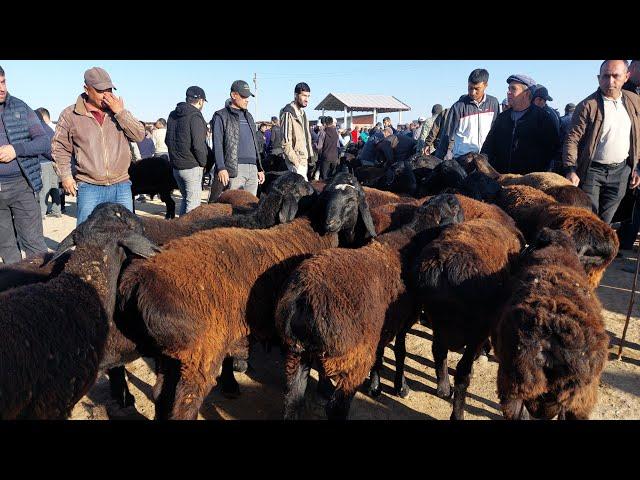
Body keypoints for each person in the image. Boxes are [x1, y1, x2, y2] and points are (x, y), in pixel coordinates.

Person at [52, 66, 145, 226]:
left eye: (109, 89)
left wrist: (120, 113)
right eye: (101, 90)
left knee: (127, 234)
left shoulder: (118, 112)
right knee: (87, 236)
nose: (107, 95)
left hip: (121, 185)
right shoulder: (70, 115)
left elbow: (139, 135)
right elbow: (60, 147)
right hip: (89, 186)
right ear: (86, 89)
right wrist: (65, 176)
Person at [563, 60, 640, 225]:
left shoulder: (634, 101)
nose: (610, 81)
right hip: (592, 171)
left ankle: (601, 250)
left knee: (607, 220)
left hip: (621, 171)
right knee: (591, 217)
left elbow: (638, 136)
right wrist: (571, 169)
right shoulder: (587, 105)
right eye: (605, 76)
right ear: (598, 78)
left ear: (626, 77)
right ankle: (590, 251)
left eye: (615, 76)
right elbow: (572, 138)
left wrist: (637, 167)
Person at [0, 65, 50, 264]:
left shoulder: (21, 107)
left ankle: (42, 290)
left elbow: (44, 142)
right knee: (6, 248)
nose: (1, 88)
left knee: (35, 248)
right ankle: (17, 292)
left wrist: (15, 149)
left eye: (3, 82)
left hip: (22, 186)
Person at [480, 73, 560, 175]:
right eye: (508, 88)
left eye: (513, 89)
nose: (508, 92)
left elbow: (552, 152)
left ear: (526, 93)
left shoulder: (543, 119)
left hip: (529, 184)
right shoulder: (502, 118)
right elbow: (488, 147)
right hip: (501, 180)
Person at [211, 80, 265, 198]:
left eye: (248, 96)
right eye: (244, 96)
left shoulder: (249, 116)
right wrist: (221, 167)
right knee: (233, 208)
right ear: (233, 95)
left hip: (253, 170)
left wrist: (259, 168)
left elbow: (254, 143)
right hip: (234, 169)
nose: (247, 99)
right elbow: (217, 144)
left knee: (250, 208)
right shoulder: (221, 116)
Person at [165, 85, 209, 215]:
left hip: (176, 167)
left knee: (186, 200)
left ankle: (181, 230)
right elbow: (198, 145)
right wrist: (203, 163)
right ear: (200, 101)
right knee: (193, 207)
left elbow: (168, 140)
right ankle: (188, 233)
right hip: (191, 166)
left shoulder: (173, 115)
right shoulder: (195, 116)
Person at [439, 68, 500, 160]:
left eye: (477, 89)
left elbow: (496, 131)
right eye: (470, 88)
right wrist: (438, 159)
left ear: (485, 85)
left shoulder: (494, 103)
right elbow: (446, 136)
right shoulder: (458, 107)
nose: (472, 92)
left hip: (486, 159)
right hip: (463, 159)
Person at [280, 82, 315, 179]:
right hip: (296, 162)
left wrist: (310, 158)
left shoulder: (303, 114)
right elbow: (285, 142)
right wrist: (296, 162)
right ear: (296, 95)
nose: (307, 99)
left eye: (308, 96)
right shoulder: (288, 113)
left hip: (304, 160)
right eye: (304, 96)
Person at [34, 107, 62, 218]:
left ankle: (41, 212)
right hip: (53, 162)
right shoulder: (49, 129)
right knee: (54, 187)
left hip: (43, 162)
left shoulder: (40, 130)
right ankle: (56, 211)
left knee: (44, 189)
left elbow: (42, 147)